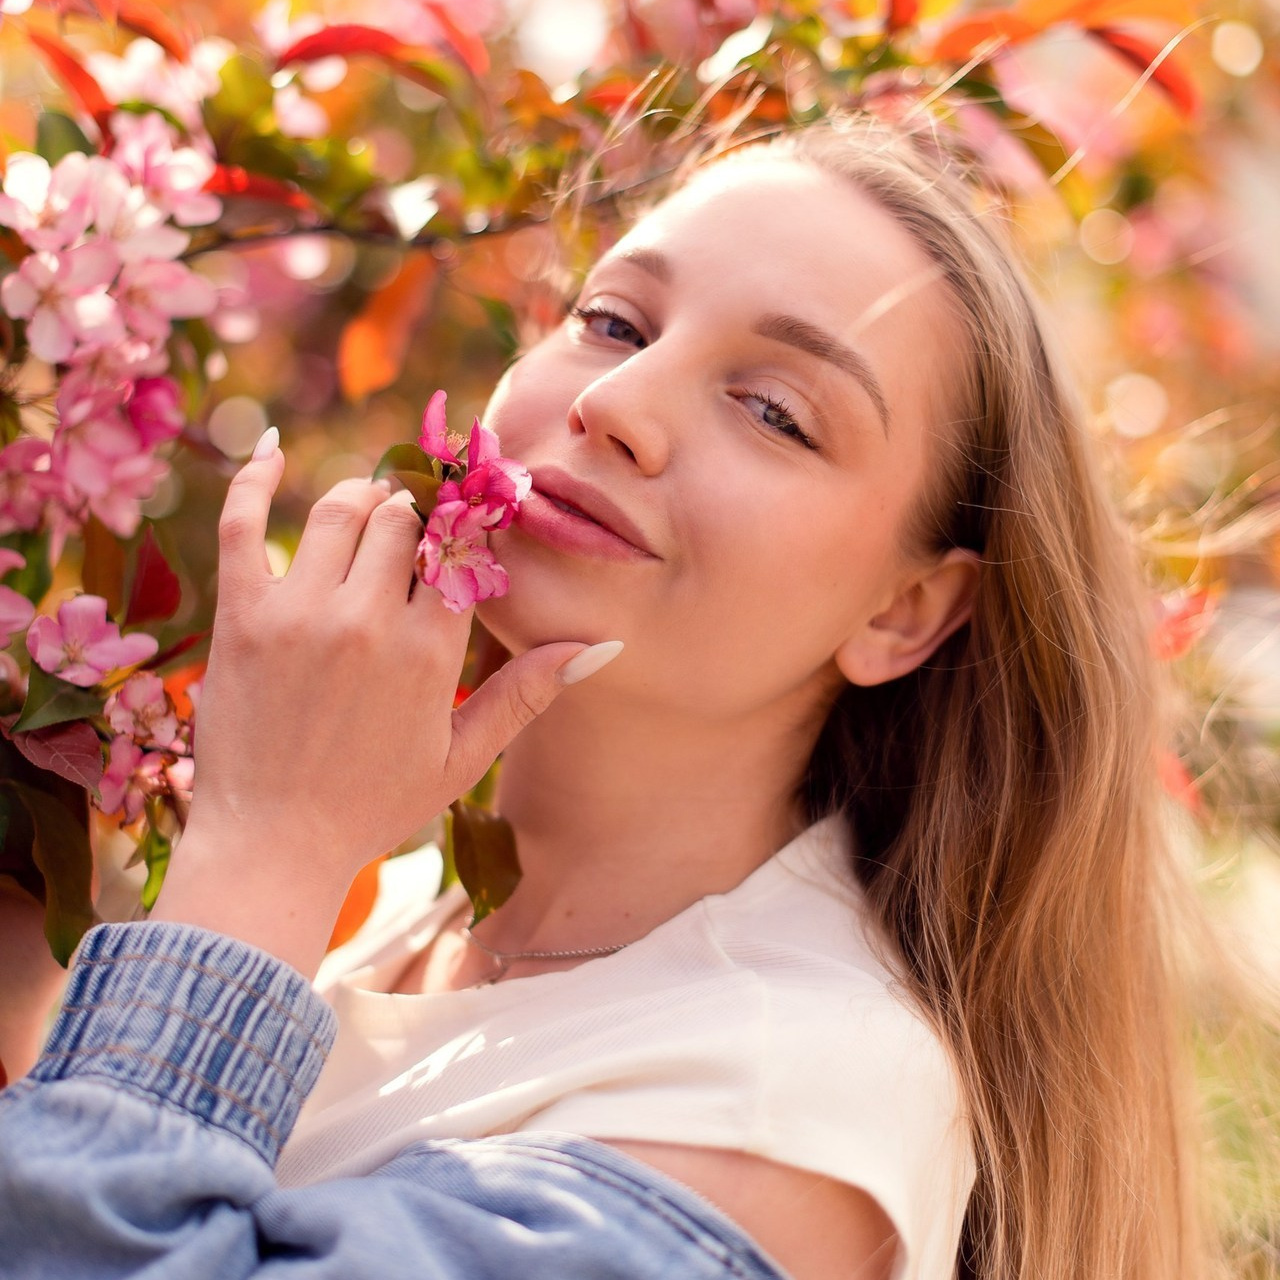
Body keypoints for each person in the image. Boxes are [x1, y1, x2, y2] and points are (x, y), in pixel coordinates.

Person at [0, 114, 1217, 1279]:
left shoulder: (777, 1108)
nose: (614, 405)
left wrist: (262, 850)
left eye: (775, 413)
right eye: (614, 322)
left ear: (901, 611)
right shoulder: (414, 910)